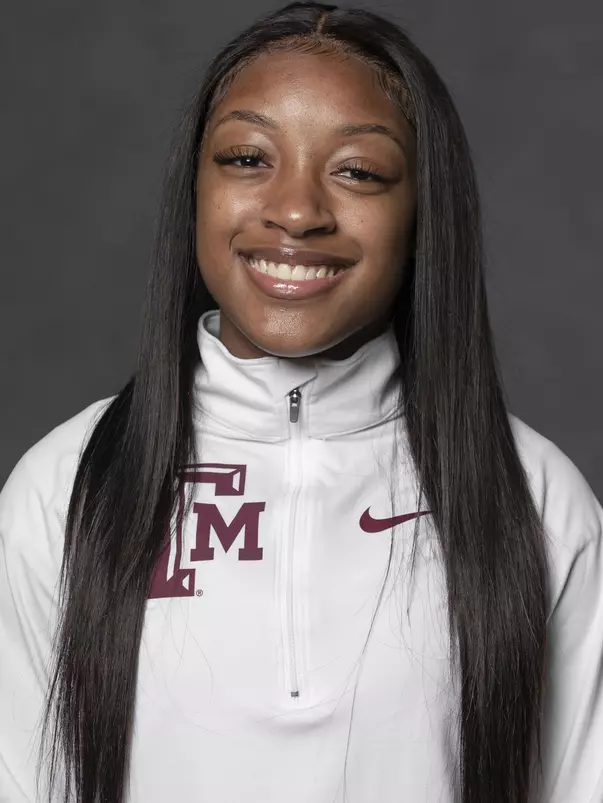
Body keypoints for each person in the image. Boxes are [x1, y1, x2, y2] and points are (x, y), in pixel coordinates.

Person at [1, 2, 602, 802]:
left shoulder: (535, 498)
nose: (295, 210)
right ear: (195, 189)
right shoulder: (64, 485)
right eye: (247, 158)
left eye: (357, 171)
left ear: (421, 211)